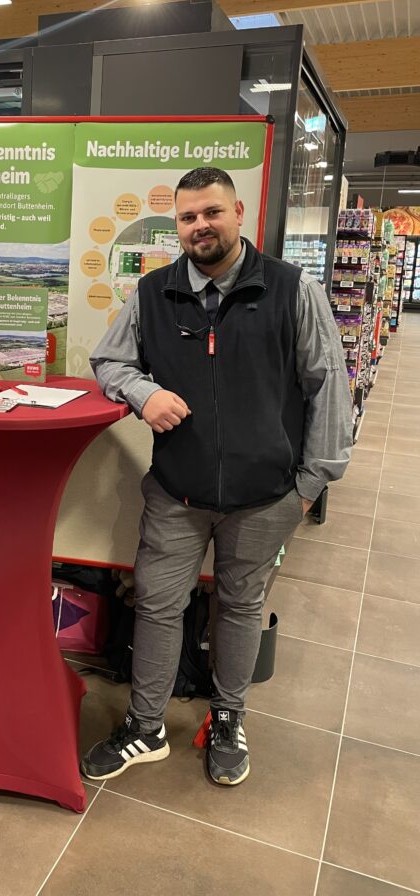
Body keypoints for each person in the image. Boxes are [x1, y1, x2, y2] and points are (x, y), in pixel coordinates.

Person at [81, 166, 352, 786]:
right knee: (156, 605)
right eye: (187, 217)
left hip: (266, 499)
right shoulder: (153, 293)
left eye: (211, 213)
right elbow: (108, 360)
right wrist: (142, 392)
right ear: (176, 225)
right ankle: (145, 728)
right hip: (176, 491)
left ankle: (228, 718)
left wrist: (312, 484)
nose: (199, 226)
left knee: (239, 607)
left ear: (238, 216)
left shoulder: (292, 289)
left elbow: (326, 383)